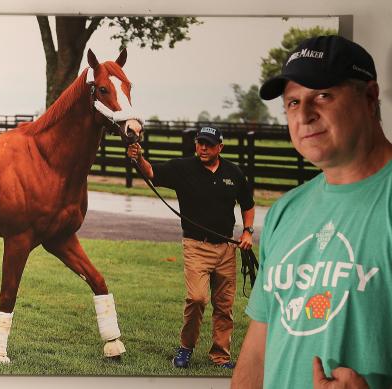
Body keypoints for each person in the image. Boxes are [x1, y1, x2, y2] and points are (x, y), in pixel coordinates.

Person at [231, 35, 392, 389]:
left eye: (323, 95)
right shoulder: (285, 212)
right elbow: (258, 350)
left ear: (369, 97)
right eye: (292, 102)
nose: (303, 115)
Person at [127, 126, 255, 369]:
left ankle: (221, 356)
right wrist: (138, 157)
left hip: (227, 248)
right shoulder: (182, 169)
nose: (203, 148)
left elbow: (248, 204)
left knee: (225, 306)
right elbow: (152, 172)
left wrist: (247, 231)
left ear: (220, 147)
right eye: (200, 143)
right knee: (196, 298)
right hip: (196, 246)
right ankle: (186, 348)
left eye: (208, 144)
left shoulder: (234, 173)